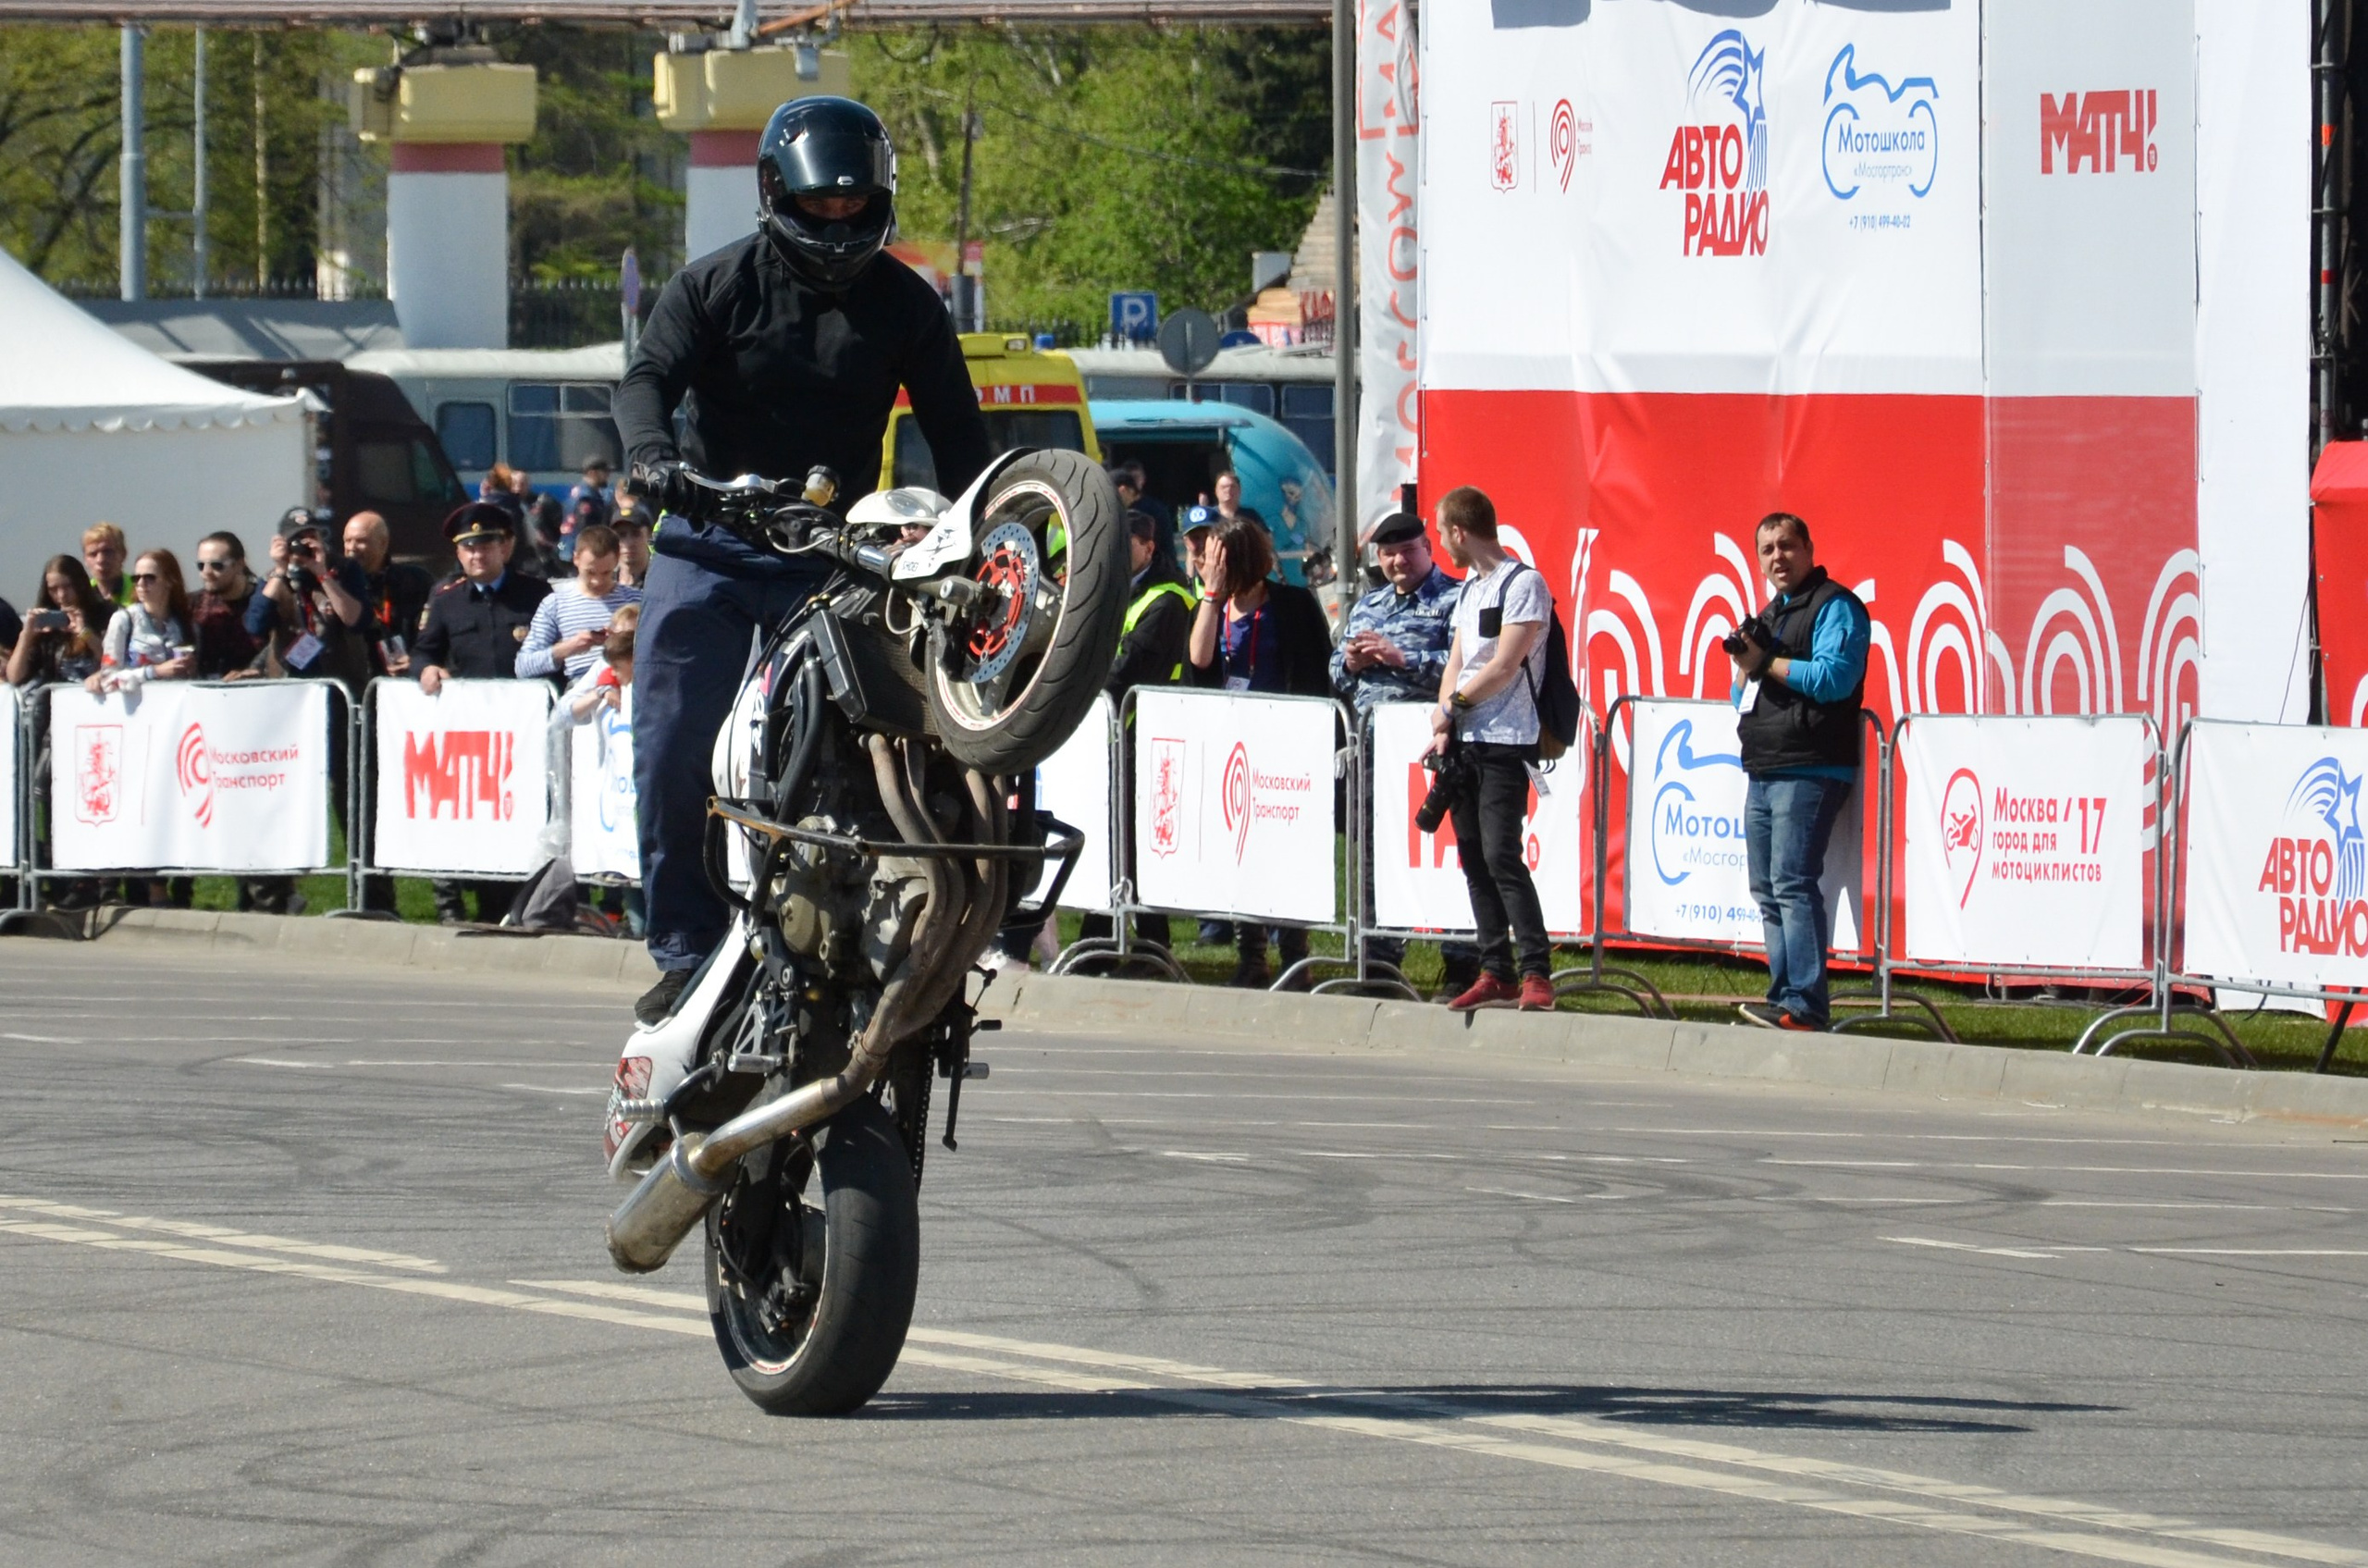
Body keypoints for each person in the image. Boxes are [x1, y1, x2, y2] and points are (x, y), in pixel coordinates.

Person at [614, 94, 993, 1025]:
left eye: (852, 206)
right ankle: (682, 950)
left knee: (874, 746)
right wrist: (651, 457)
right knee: (669, 738)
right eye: (819, 205)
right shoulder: (711, 286)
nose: (836, 222)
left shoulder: (909, 305)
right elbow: (646, 380)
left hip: (834, 554)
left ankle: (881, 930)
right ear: (776, 193)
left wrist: (982, 532)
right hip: (707, 539)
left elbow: (960, 436)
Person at [1729, 512, 1869, 1033]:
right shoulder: (1771, 613)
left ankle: (1806, 1003)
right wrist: (1745, 666)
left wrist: (1767, 664)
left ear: (1809, 547)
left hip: (1811, 765)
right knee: (1766, 888)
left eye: (1786, 545)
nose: (1777, 557)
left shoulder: (1837, 606)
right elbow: (1740, 695)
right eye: (1766, 550)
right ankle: (1782, 998)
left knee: (1791, 882)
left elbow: (1835, 678)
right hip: (1764, 763)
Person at [1331, 511, 1478, 995]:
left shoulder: (1456, 600)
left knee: (1452, 856)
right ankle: (1379, 962)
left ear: (1428, 550)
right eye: (1388, 553)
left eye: (1408, 550)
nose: (1398, 561)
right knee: (1376, 855)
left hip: (1434, 750)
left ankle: (1461, 964)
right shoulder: (1369, 606)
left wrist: (1402, 658)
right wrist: (1351, 662)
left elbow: (1468, 670)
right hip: (1375, 753)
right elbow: (1334, 670)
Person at [1188, 514, 1334, 988]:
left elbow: (1316, 670)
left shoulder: (1291, 605)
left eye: (1214, 557)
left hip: (1285, 747)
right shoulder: (1215, 606)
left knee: (1286, 855)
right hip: (1233, 748)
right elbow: (1200, 661)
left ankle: (1295, 955)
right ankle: (1251, 955)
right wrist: (1211, 598)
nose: (1205, 564)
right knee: (1240, 851)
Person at [1428, 486, 1555, 1014]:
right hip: (1466, 743)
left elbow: (1504, 665)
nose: (1441, 543)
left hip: (1507, 740)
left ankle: (1536, 972)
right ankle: (1494, 969)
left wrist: (1454, 703)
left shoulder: (1523, 583)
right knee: (1474, 858)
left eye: (1441, 532)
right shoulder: (1468, 590)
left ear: (1460, 531)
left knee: (1503, 852)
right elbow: (1457, 661)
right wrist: (1443, 721)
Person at [413, 502, 554, 923]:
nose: (478, 554)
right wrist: (428, 670)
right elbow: (423, 651)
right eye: (469, 547)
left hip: (528, 737)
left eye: (487, 545)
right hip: (474, 744)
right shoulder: (446, 601)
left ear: (506, 547)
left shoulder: (536, 595)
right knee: (471, 821)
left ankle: (512, 907)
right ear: (459, 554)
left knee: (522, 819)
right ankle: (455, 907)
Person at [249, 508, 373, 692]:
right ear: (282, 542)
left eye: (311, 537)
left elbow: (357, 622)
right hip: (289, 686)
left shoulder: (345, 569)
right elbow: (255, 626)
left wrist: (322, 574)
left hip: (338, 684)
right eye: (296, 539)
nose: (303, 545)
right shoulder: (272, 579)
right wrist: (280, 571)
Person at [516, 523, 641, 685]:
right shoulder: (556, 604)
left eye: (606, 572)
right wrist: (568, 648)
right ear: (576, 559)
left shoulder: (636, 601)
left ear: (616, 561)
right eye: (590, 572)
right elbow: (523, 666)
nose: (597, 581)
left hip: (629, 685)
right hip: (581, 689)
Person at [88, 549, 194, 693]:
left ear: (169, 580)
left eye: (149, 578)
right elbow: (108, 677)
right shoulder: (123, 620)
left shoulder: (182, 621)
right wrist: (154, 671)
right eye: (136, 578)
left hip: (174, 705)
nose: (141, 584)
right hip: (136, 707)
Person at [343, 511, 433, 673]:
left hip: (404, 677)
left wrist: (419, 660)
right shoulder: (338, 584)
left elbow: (433, 630)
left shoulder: (414, 581)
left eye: (361, 541)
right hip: (357, 680)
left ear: (383, 543)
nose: (352, 548)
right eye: (347, 541)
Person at [7, 556, 109, 686]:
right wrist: (26, 637)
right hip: (54, 700)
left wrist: (86, 634)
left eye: (67, 586)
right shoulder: (45, 626)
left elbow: (114, 661)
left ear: (80, 584)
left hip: (94, 697)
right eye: (53, 589)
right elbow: (15, 677)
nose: (61, 595)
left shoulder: (104, 613)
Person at [191, 532, 265, 678]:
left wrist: (261, 670)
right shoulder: (194, 604)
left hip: (258, 691)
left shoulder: (264, 601)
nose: (206, 572)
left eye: (217, 565)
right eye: (201, 565)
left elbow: (288, 647)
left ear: (239, 565)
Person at [83, 522, 132, 607]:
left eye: (108, 552)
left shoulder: (139, 590)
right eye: (93, 554)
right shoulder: (81, 596)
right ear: (85, 560)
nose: (100, 560)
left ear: (123, 554)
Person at [611, 499, 653, 589]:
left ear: (649, 535)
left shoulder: (658, 579)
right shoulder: (606, 581)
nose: (628, 543)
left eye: (636, 534)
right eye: (621, 535)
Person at [568, 458, 616, 528]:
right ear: (592, 473)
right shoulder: (586, 498)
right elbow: (585, 529)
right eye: (605, 471)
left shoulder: (580, 491)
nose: (608, 475)